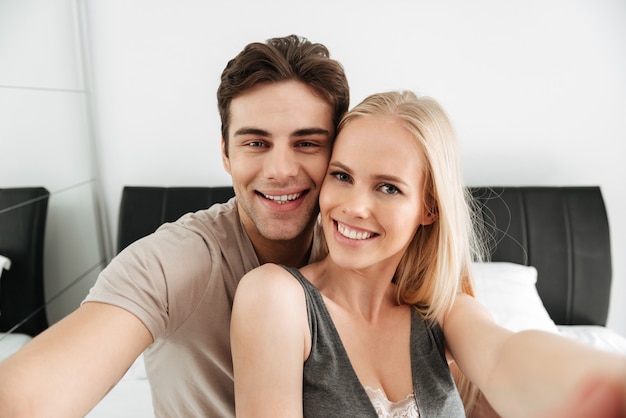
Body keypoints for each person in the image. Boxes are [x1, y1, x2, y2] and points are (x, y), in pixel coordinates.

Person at [0, 34, 349, 418]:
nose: (281, 170)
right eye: (255, 143)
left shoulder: (355, 246)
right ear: (226, 154)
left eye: (307, 144)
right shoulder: (173, 262)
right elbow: (26, 399)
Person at [230, 91, 626, 418]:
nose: (353, 206)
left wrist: (605, 382)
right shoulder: (276, 297)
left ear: (429, 208)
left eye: (388, 188)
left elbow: (504, 356)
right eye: (342, 176)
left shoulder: (442, 312)